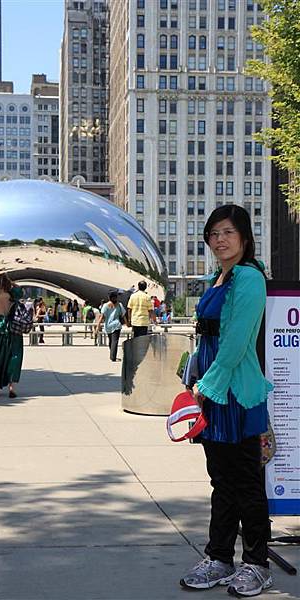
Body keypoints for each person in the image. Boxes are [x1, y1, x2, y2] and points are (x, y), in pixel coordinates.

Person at [180, 205, 273, 597]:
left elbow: (235, 343)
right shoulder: (219, 278)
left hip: (236, 394)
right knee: (221, 482)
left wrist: (207, 387)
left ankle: (257, 564)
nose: (219, 240)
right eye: (213, 233)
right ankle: (219, 558)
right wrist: (193, 380)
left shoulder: (249, 279)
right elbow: (206, 339)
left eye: (228, 232)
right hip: (213, 393)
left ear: (245, 237)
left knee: (247, 484)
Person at [95, 290, 128, 362]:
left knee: (111, 341)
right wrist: (127, 323)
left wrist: (98, 326)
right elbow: (123, 315)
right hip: (116, 325)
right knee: (114, 341)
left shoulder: (105, 306)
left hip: (108, 326)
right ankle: (113, 356)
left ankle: (112, 355)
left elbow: (101, 316)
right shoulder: (119, 305)